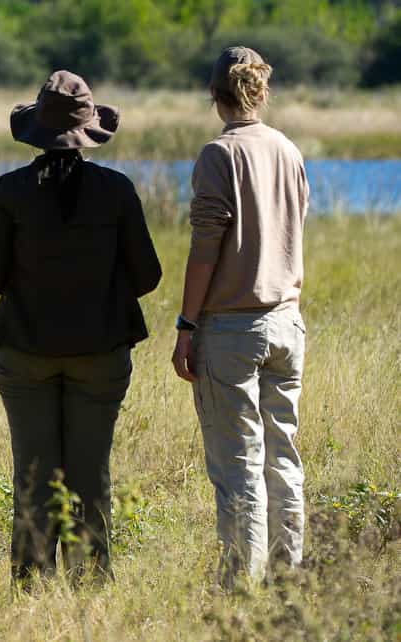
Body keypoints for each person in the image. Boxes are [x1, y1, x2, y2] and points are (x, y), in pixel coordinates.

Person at [0, 71, 162, 585]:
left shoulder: (8, 191)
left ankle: (31, 586)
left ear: (37, 129)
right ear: (89, 131)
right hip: (100, 354)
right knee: (90, 474)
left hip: (25, 353)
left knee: (32, 477)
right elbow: (149, 276)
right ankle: (91, 584)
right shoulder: (117, 191)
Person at [171, 47, 310, 590]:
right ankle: (287, 576)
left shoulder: (217, 154)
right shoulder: (288, 149)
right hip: (287, 322)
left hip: (231, 328)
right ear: (260, 90)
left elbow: (206, 248)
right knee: (283, 458)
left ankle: (239, 589)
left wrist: (186, 325)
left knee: (239, 465)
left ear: (215, 95)